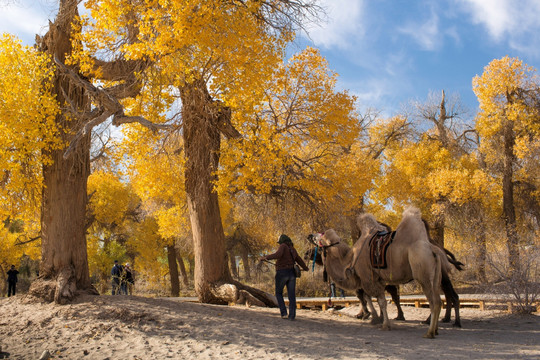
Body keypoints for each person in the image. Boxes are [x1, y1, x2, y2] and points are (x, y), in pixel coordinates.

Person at [260, 234, 309, 320]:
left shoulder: (283, 246)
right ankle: (292, 315)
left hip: (282, 272)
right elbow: (299, 259)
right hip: (292, 273)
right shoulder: (292, 249)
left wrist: (265, 257)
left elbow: (277, 255)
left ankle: (284, 313)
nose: (279, 244)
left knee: (278, 293)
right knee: (292, 295)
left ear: (282, 241)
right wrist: (305, 268)